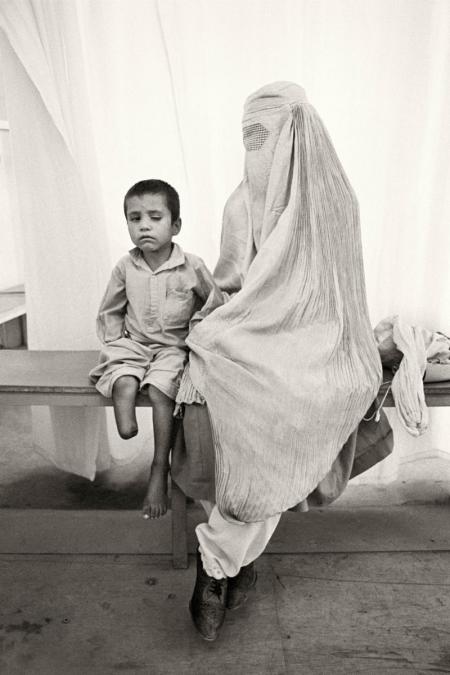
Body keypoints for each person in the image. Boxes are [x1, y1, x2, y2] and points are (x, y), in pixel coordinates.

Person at [174, 82, 388, 641]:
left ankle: (217, 562)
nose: (255, 149)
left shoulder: (335, 201)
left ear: (299, 134)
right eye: (246, 136)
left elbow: (340, 294)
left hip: (321, 338)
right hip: (251, 332)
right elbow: (229, 286)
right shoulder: (240, 204)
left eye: (265, 136)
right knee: (230, 394)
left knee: (302, 398)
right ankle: (237, 560)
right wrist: (222, 317)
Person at [90, 179, 224, 519]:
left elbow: (215, 306)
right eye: (135, 219)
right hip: (134, 344)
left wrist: (200, 340)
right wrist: (115, 343)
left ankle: (158, 467)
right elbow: (110, 310)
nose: (144, 226)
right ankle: (126, 420)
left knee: (162, 390)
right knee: (123, 377)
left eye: (154, 217)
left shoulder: (191, 266)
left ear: (175, 225)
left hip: (172, 349)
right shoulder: (125, 266)